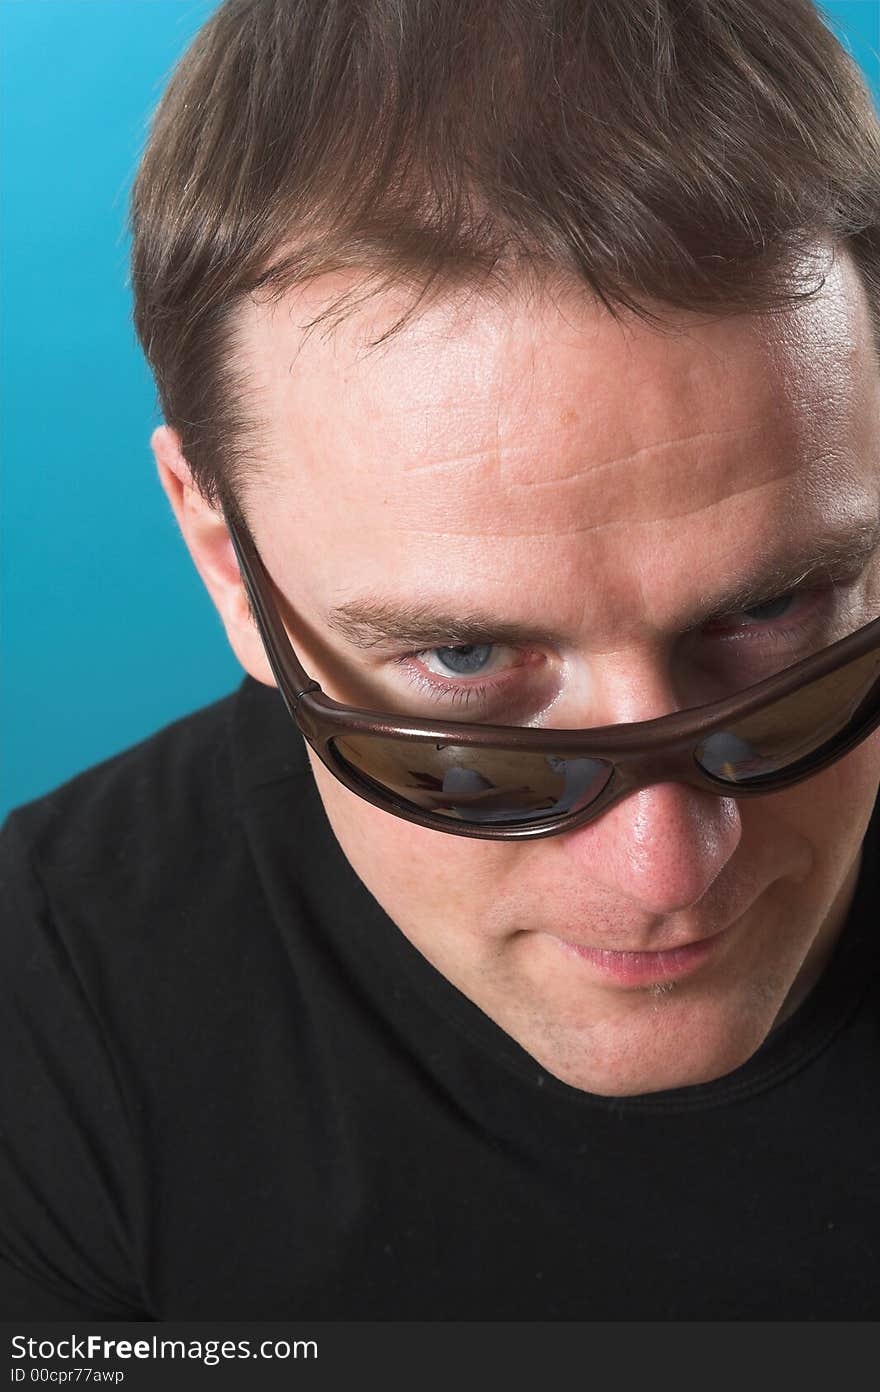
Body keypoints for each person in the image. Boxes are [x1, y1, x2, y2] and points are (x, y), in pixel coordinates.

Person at [2, 0, 880, 1321]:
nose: (667, 870)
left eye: (773, 613)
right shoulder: (45, 1021)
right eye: (465, 658)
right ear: (223, 557)